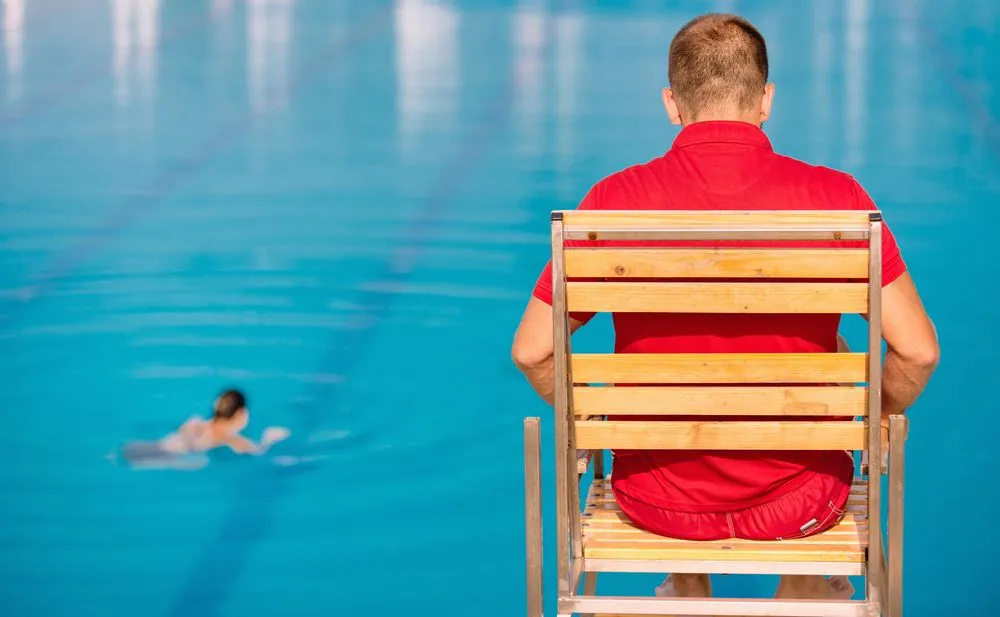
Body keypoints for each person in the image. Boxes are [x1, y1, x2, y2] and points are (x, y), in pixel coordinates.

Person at [511, 13, 939, 602]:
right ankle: (802, 584)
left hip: (654, 502)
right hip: (802, 501)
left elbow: (532, 351)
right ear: (766, 100)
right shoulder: (837, 202)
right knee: (835, 355)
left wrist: (593, 422)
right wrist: (873, 418)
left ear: (672, 104)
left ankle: (688, 581)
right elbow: (918, 351)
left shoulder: (613, 204)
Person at [121, 388, 289, 467]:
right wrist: (271, 438)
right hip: (177, 457)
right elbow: (258, 453)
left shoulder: (195, 422)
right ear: (241, 414)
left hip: (156, 445)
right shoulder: (233, 440)